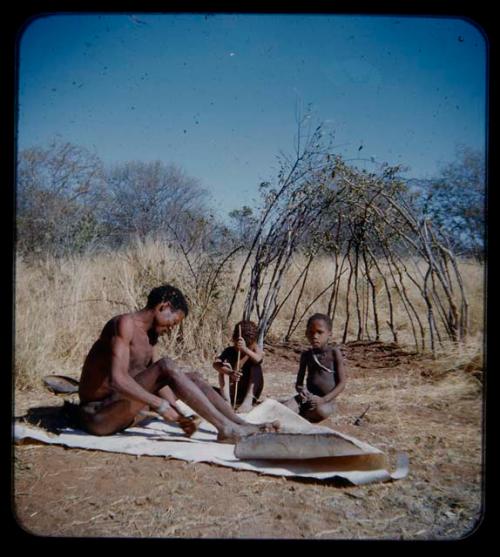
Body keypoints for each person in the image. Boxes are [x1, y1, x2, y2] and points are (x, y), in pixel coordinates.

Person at [77, 284, 279, 442]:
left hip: (122, 411)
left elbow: (162, 381)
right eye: (173, 322)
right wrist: (160, 405)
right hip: (98, 415)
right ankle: (225, 429)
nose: (172, 329)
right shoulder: (124, 325)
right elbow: (117, 380)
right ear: (163, 307)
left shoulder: (150, 337)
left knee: (192, 377)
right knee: (166, 365)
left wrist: (180, 414)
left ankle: (239, 423)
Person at [283, 313, 347, 423]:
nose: (315, 336)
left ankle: (302, 416)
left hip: (327, 400)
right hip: (308, 398)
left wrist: (324, 399)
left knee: (321, 411)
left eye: (320, 332)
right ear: (306, 334)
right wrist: (301, 391)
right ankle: (301, 413)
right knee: (286, 408)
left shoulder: (334, 353)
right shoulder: (306, 355)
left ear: (329, 334)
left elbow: (342, 384)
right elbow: (299, 383)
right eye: (311, 333)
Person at [213, 320, 264, 413]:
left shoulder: (255, 350)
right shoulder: (229, 351)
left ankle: (247, 402)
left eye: (248, 346)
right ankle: (226, 402)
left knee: (256, 367)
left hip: (248, 394)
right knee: (224, 366)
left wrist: (245, 349)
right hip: (231, 393)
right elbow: (215, 364)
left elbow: (259, 359)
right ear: (234, 340)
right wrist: (230, 372)